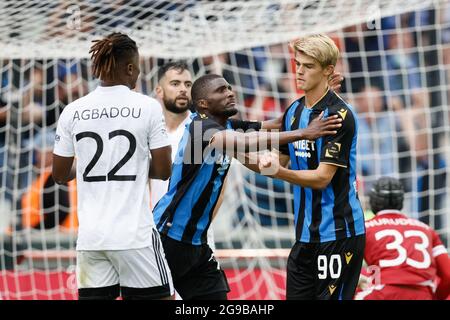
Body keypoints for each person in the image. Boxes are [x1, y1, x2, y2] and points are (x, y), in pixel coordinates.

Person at [153, 73, 343, 300]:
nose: (230, 93)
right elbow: (244, 142)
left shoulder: (227, 125)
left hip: (197, 243)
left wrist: (318, 96)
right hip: (168, 237)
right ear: (203, 103)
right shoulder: (200, 129)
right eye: (221, 90)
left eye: (229, 88)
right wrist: (303, 133)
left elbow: (278, 123)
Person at [52, 32, 174, 300]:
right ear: (130, 68)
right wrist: (136, 163)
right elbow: (165, 170)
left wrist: (89, 166)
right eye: (138, 70)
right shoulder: (147, 107)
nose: (139, 75)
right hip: (135, 236)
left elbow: (59, 175)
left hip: (91, 239)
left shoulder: (73, 110)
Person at [256, 34, 366, 300]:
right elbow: (277, 160)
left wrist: (277, 171)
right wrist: (230, 150)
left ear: (328, 70)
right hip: (304, 237)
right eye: (297, 63)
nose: (299, 71)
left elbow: (321, 178)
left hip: (338, 234)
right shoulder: (293, 111)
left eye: (308, 66)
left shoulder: (338, 116)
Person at [355, 176, 450, 300]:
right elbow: (448, 274)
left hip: (384, 292)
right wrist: (436, 297)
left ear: (373, 201)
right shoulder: (426, 229)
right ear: (401, 201)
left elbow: (343, 268)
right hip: (423, 294)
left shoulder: (365, 228)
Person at [21, 130, 78, 231]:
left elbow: (61, 210)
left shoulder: (55, 176)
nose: (35, 157)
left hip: (59, 240)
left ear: (49, 153)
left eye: (36, 152)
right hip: (63, 238)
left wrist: (36, 230)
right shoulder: (55, 174)